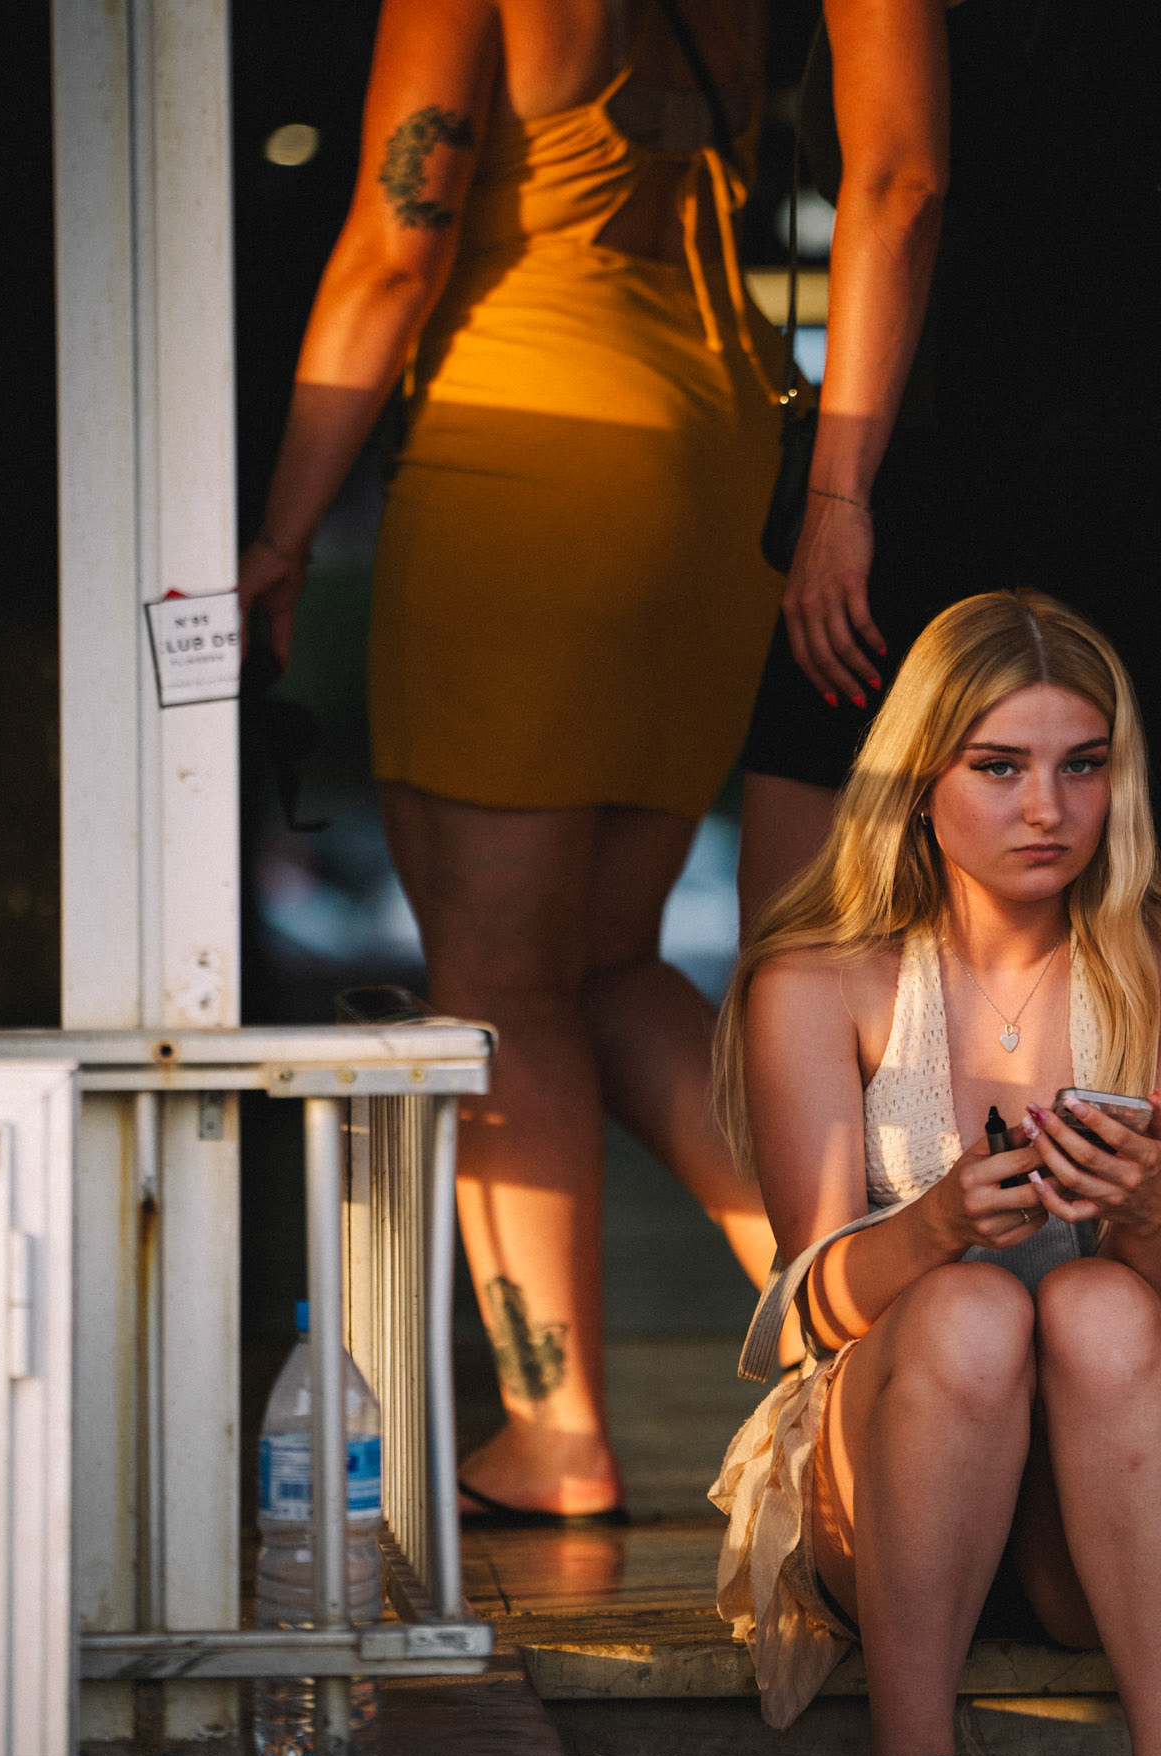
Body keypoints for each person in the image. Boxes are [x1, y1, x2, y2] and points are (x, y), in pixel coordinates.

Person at [238, 0, 789, 1520]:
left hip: (525, 446)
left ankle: (555, 1433)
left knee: (496, 984)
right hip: (711, 447)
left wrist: (282, 530)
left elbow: (394, 246)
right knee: (606, 962)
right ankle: (860, 1314)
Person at [711, 590, 1161, 1756]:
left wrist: (1144, 1210)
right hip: (890, 1455)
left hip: (1096, 1482)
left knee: (1095, 1298)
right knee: (971, 1307)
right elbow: (802, 1315)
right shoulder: (824, 977)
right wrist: (928, 1229)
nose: (1048, 807)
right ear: (921, 781)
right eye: (1000, 766)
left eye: (1081, 765)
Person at [737, 0, 1161, 927]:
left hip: (946, 426)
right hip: (1154, 451)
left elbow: (900, 187)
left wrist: (838, 494)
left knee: (814, 917)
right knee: (1117, 929)